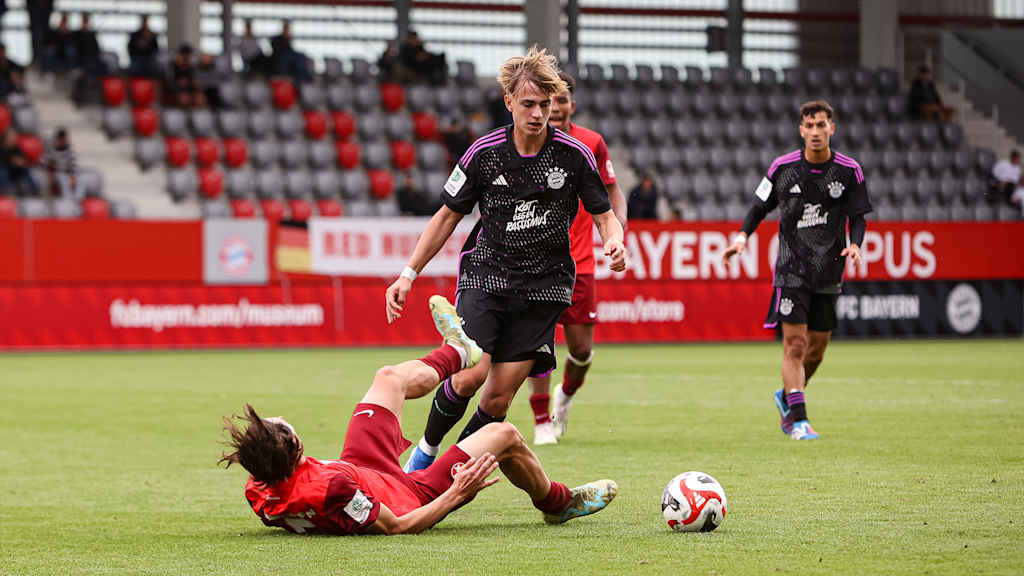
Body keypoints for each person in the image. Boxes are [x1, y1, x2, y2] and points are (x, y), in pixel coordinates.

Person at [385, 46, 627, 472]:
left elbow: (604, 214)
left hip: (545, 287)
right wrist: (408, 274)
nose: (538, 113)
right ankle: (424, 453)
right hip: (487, 276)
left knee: (496, 398)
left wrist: (615, 240)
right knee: (469, 374)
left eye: (545, 105)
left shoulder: (574, 156)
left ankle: (443, 477)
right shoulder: (484, 153)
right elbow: (446, 217)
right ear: (509, 102)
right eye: (529, 104)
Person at [222, 295, 617, 535]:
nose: (279, 420)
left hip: (359, 467)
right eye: (280, 426)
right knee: (504, 434)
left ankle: (459, 350)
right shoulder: (330, 489)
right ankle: (556, 503)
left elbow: (300, 507)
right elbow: (398, 526)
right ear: (295, 446)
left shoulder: (260, 490)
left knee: (388, 378)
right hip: (410, 495)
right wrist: (455, 494)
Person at [723, 100, 872, 441]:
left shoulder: (849, 170)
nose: (816, 132)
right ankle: (799, 420)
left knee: (816, 350)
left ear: (831, 128)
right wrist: (742, 237)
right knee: (794, 345)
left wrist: (856, 243)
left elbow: (859, 216)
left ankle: (787, 395)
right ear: (801, 130)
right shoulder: (782, 167)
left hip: (830, 270)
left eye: (822, 125)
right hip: (791, 270)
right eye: (810, 126)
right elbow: (758, 207)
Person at [525, 70, 627, 445]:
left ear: (570, 104)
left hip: (579, 263)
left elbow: (613, 194)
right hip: (535, 264)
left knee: (581, 351)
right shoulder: (526, 142)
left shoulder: (591, 143)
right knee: (538, 344)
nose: (556, 107)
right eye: (551, 100)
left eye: (563, 99)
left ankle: (564, 397)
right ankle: (540, 423)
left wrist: (618, 234)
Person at [43, 127, 84, 200]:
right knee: (62, 180)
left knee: (81, 180)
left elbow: (74, 164)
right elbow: (44, 162)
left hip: (70, 172)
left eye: (66, 138)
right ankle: (67, 199)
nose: (65, 140)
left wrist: (73, 176)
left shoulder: (70, 149)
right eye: (64, 139)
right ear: (59, 139)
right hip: (59, 172)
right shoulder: (52, 149)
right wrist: (48, 173)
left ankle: (78, 199)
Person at [0, 129, 38, 196]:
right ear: (6, 138)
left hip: (15, 170)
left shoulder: (16, 148)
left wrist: (21, 161)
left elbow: (24, 158)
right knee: (2, 172)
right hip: (5, 171)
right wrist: (12, 161)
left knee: (26, 169)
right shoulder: (2, 148)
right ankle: (5, 192)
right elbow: (4, 160)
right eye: (12, 137)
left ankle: (35, 190)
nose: (14, 138)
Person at [166, 44, 204, 108]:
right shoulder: (171, 67)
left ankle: (196, 114)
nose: (186, 57)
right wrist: (178, 83)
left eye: (188, 55)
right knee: (184, 98)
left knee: (199, 98)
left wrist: (194, 83)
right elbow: (168, 83)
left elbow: (196, 82)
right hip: (176, 90)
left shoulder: (192, 67)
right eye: (183, 55)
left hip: (190, 89)